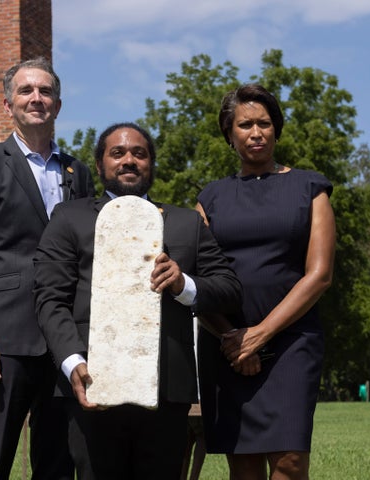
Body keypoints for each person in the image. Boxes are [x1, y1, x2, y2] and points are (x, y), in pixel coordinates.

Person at [33, 122, 242, 479]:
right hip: (92, 385)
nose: (129, 160)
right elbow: (50, 298)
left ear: (151, 165)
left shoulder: (186, 223)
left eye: (139, 154)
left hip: (166, 391)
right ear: (100, 166)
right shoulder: (70, 218)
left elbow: (229, 288)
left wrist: (184, 285)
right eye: (118, 153)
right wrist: (72, 364)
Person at [0, 57, 95, 479]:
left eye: (45, 91)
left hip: (65, 338)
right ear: (7, 104)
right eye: (26, 91)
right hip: (6, 340)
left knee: (58, 459)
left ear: (58, 104)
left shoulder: (77, 171)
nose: (37, 98)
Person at [195, 83, 336, 480]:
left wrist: (260, 334)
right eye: (245, 125)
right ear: (229, 133)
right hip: (226, 344)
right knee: (243, 463)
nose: (256, 132)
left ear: (277, 129)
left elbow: (320, 275)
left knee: (290, 460)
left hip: (293, 342)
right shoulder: (210, 198)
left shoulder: (311, 188)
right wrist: (232, 339)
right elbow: (200, 281)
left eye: (265, 123)